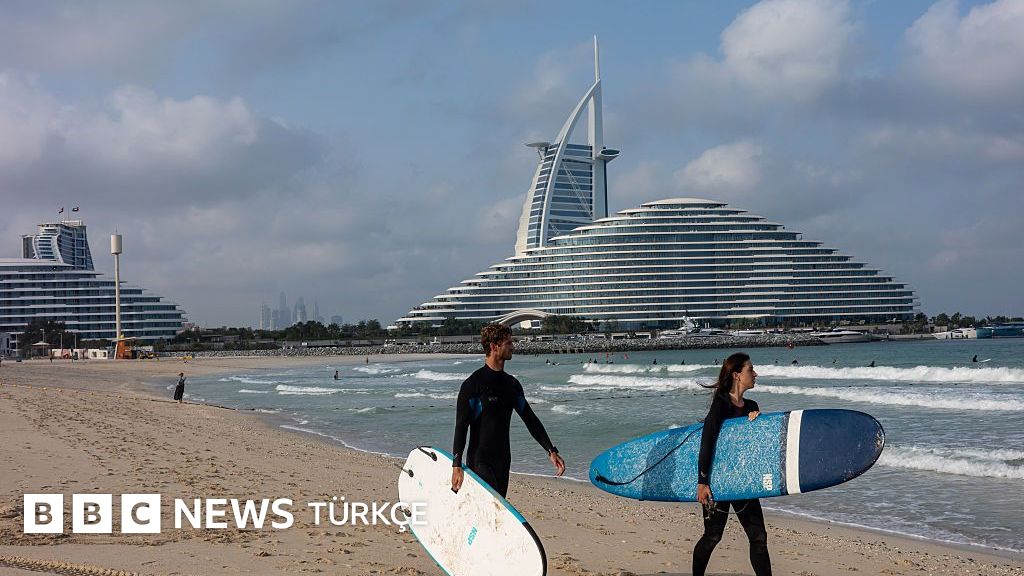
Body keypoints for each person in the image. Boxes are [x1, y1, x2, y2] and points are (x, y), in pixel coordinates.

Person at [451, 323, 565, 498]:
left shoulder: (511, 384)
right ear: (494, 347)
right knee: (492, 505)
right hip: (480, 460)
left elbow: (530, 419)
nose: (513, 346)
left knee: (498, 510)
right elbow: (461, 427)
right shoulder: (473, 385)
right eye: (508, 343)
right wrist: (456, 465)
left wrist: (551, 450)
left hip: (503, 460)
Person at [693, 352, 772, 576]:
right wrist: (702, 482)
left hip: (742, 480)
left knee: (758, 538)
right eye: (750, 370)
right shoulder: (720, 406)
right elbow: (707, 443)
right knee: (712, 536)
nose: (755, 374)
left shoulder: (752, 406)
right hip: (717, 481)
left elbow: (755, 447)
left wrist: (757, 424)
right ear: (737, 375)